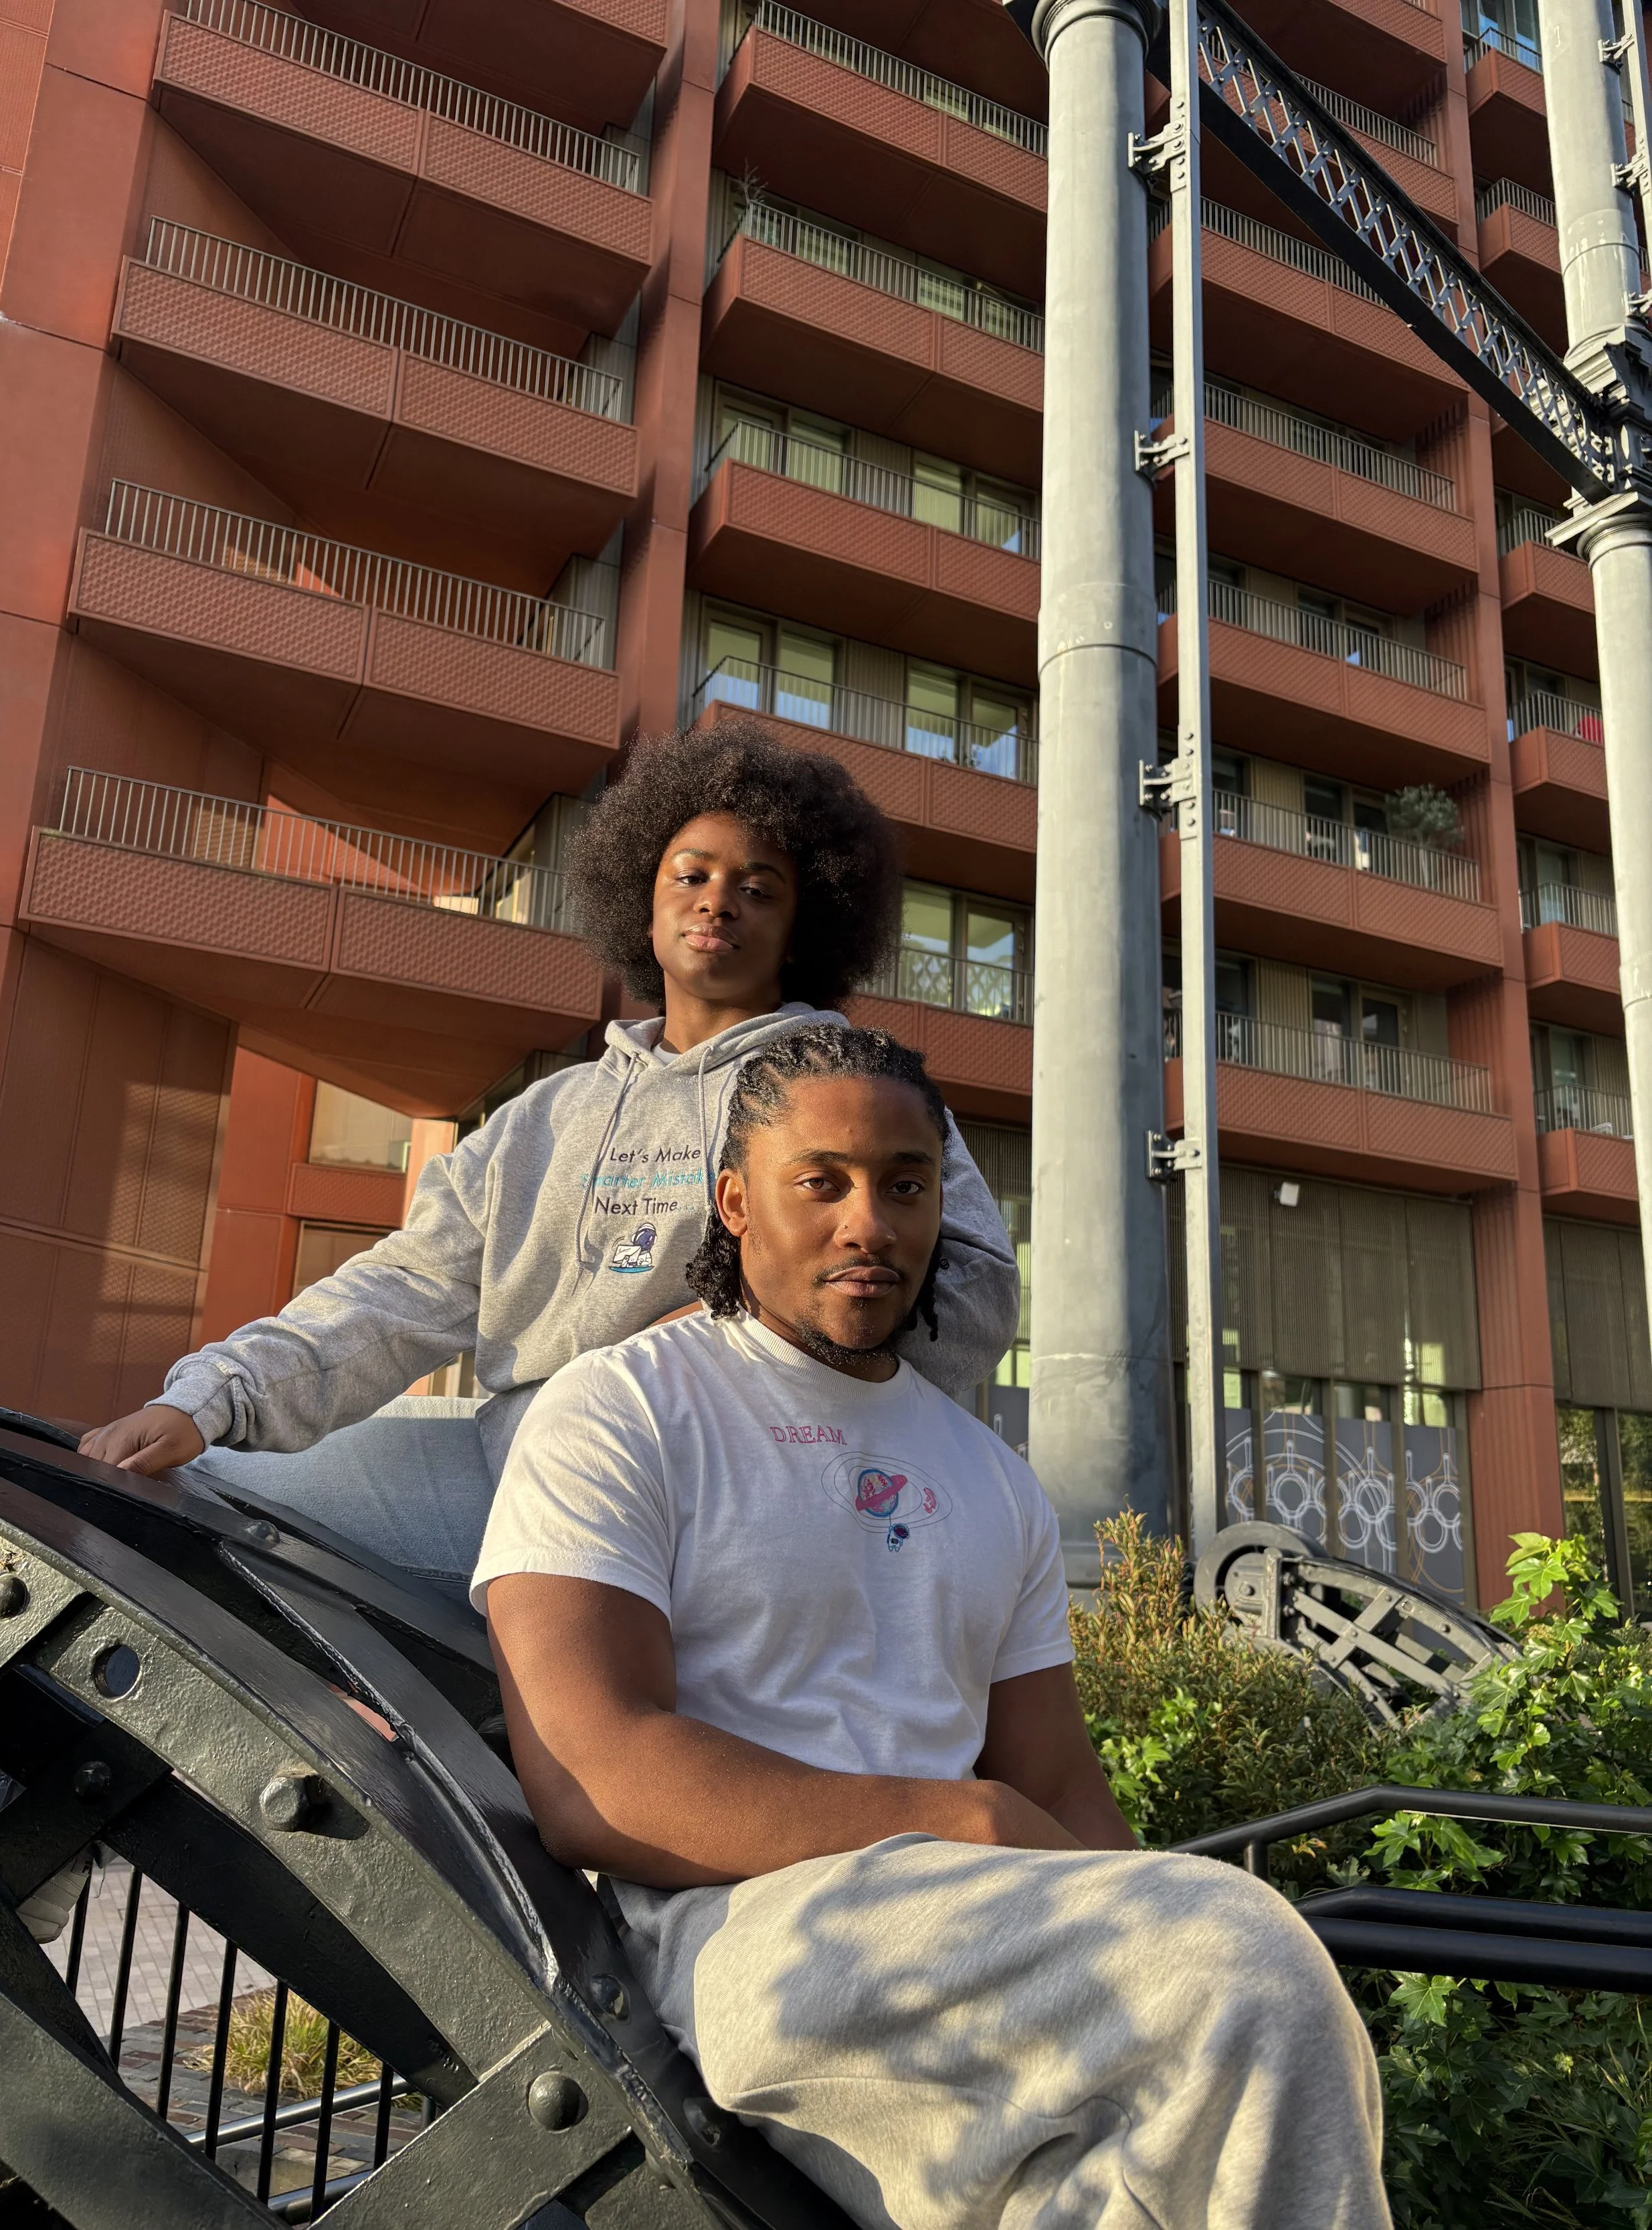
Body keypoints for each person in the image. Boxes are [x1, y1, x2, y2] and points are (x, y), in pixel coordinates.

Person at [477, 1025, 1392, 2230]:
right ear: (735, 1204)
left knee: (1166, 2133)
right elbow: (596, 1777)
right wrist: (958, 1818)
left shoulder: (989, 1475)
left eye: (904, 1185)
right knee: (1248, 1971)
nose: (870, 1223)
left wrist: (1147, 1902)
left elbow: (1056, 1785)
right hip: (760, 1935)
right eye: (823, 1182)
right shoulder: (622, 1410)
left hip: (973, 1929)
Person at [76, 726, 1020, 1600]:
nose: (717, 900)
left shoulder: (851, 1094)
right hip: (510, 1466)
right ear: (642, 904)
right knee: (174, 1490)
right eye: (689, 875)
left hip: (722, 1492)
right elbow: (404, 1292)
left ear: (804, 929)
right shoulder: (544, 1116)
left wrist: (717, 1338)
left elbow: (973, 1300)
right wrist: (213, 1399)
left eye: (760, 887)